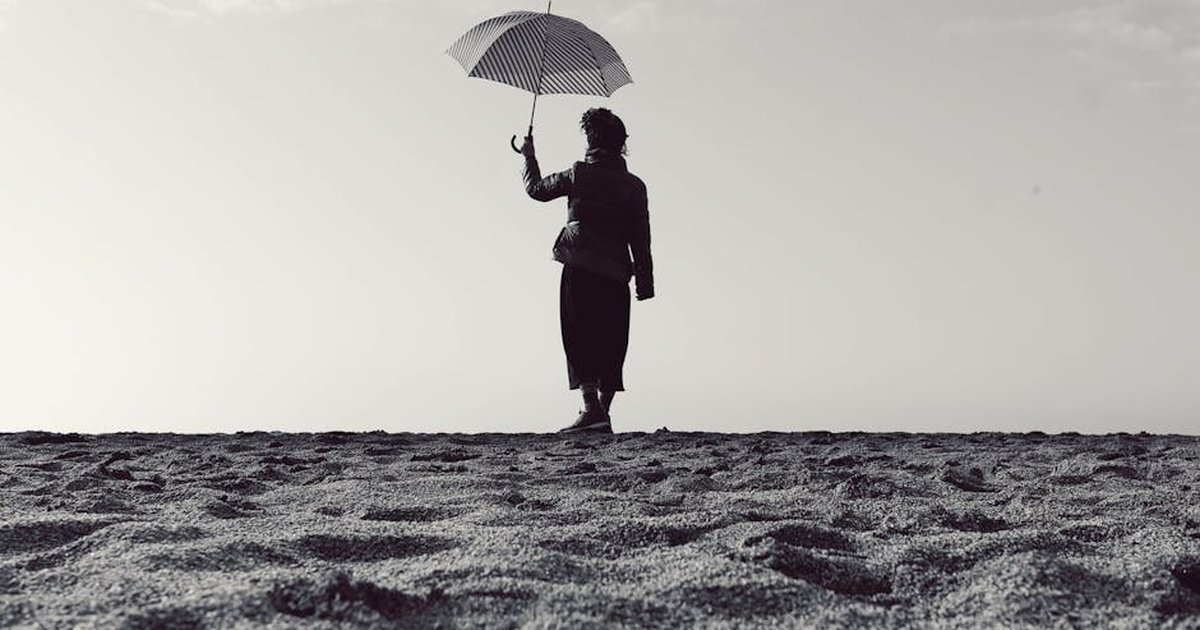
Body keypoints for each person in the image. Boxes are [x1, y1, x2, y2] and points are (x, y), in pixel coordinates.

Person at [519, 108, 654, 434]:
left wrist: (528, 155)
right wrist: (645, 282)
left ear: (590, 141)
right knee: (611, 339)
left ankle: (592, 410)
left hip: (579, 265)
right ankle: (600, 413)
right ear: (621, 145)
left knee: (579, 335)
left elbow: (536, 189)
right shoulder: (635, 186)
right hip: (616, 272)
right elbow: (641, 237)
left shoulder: (579, 173)